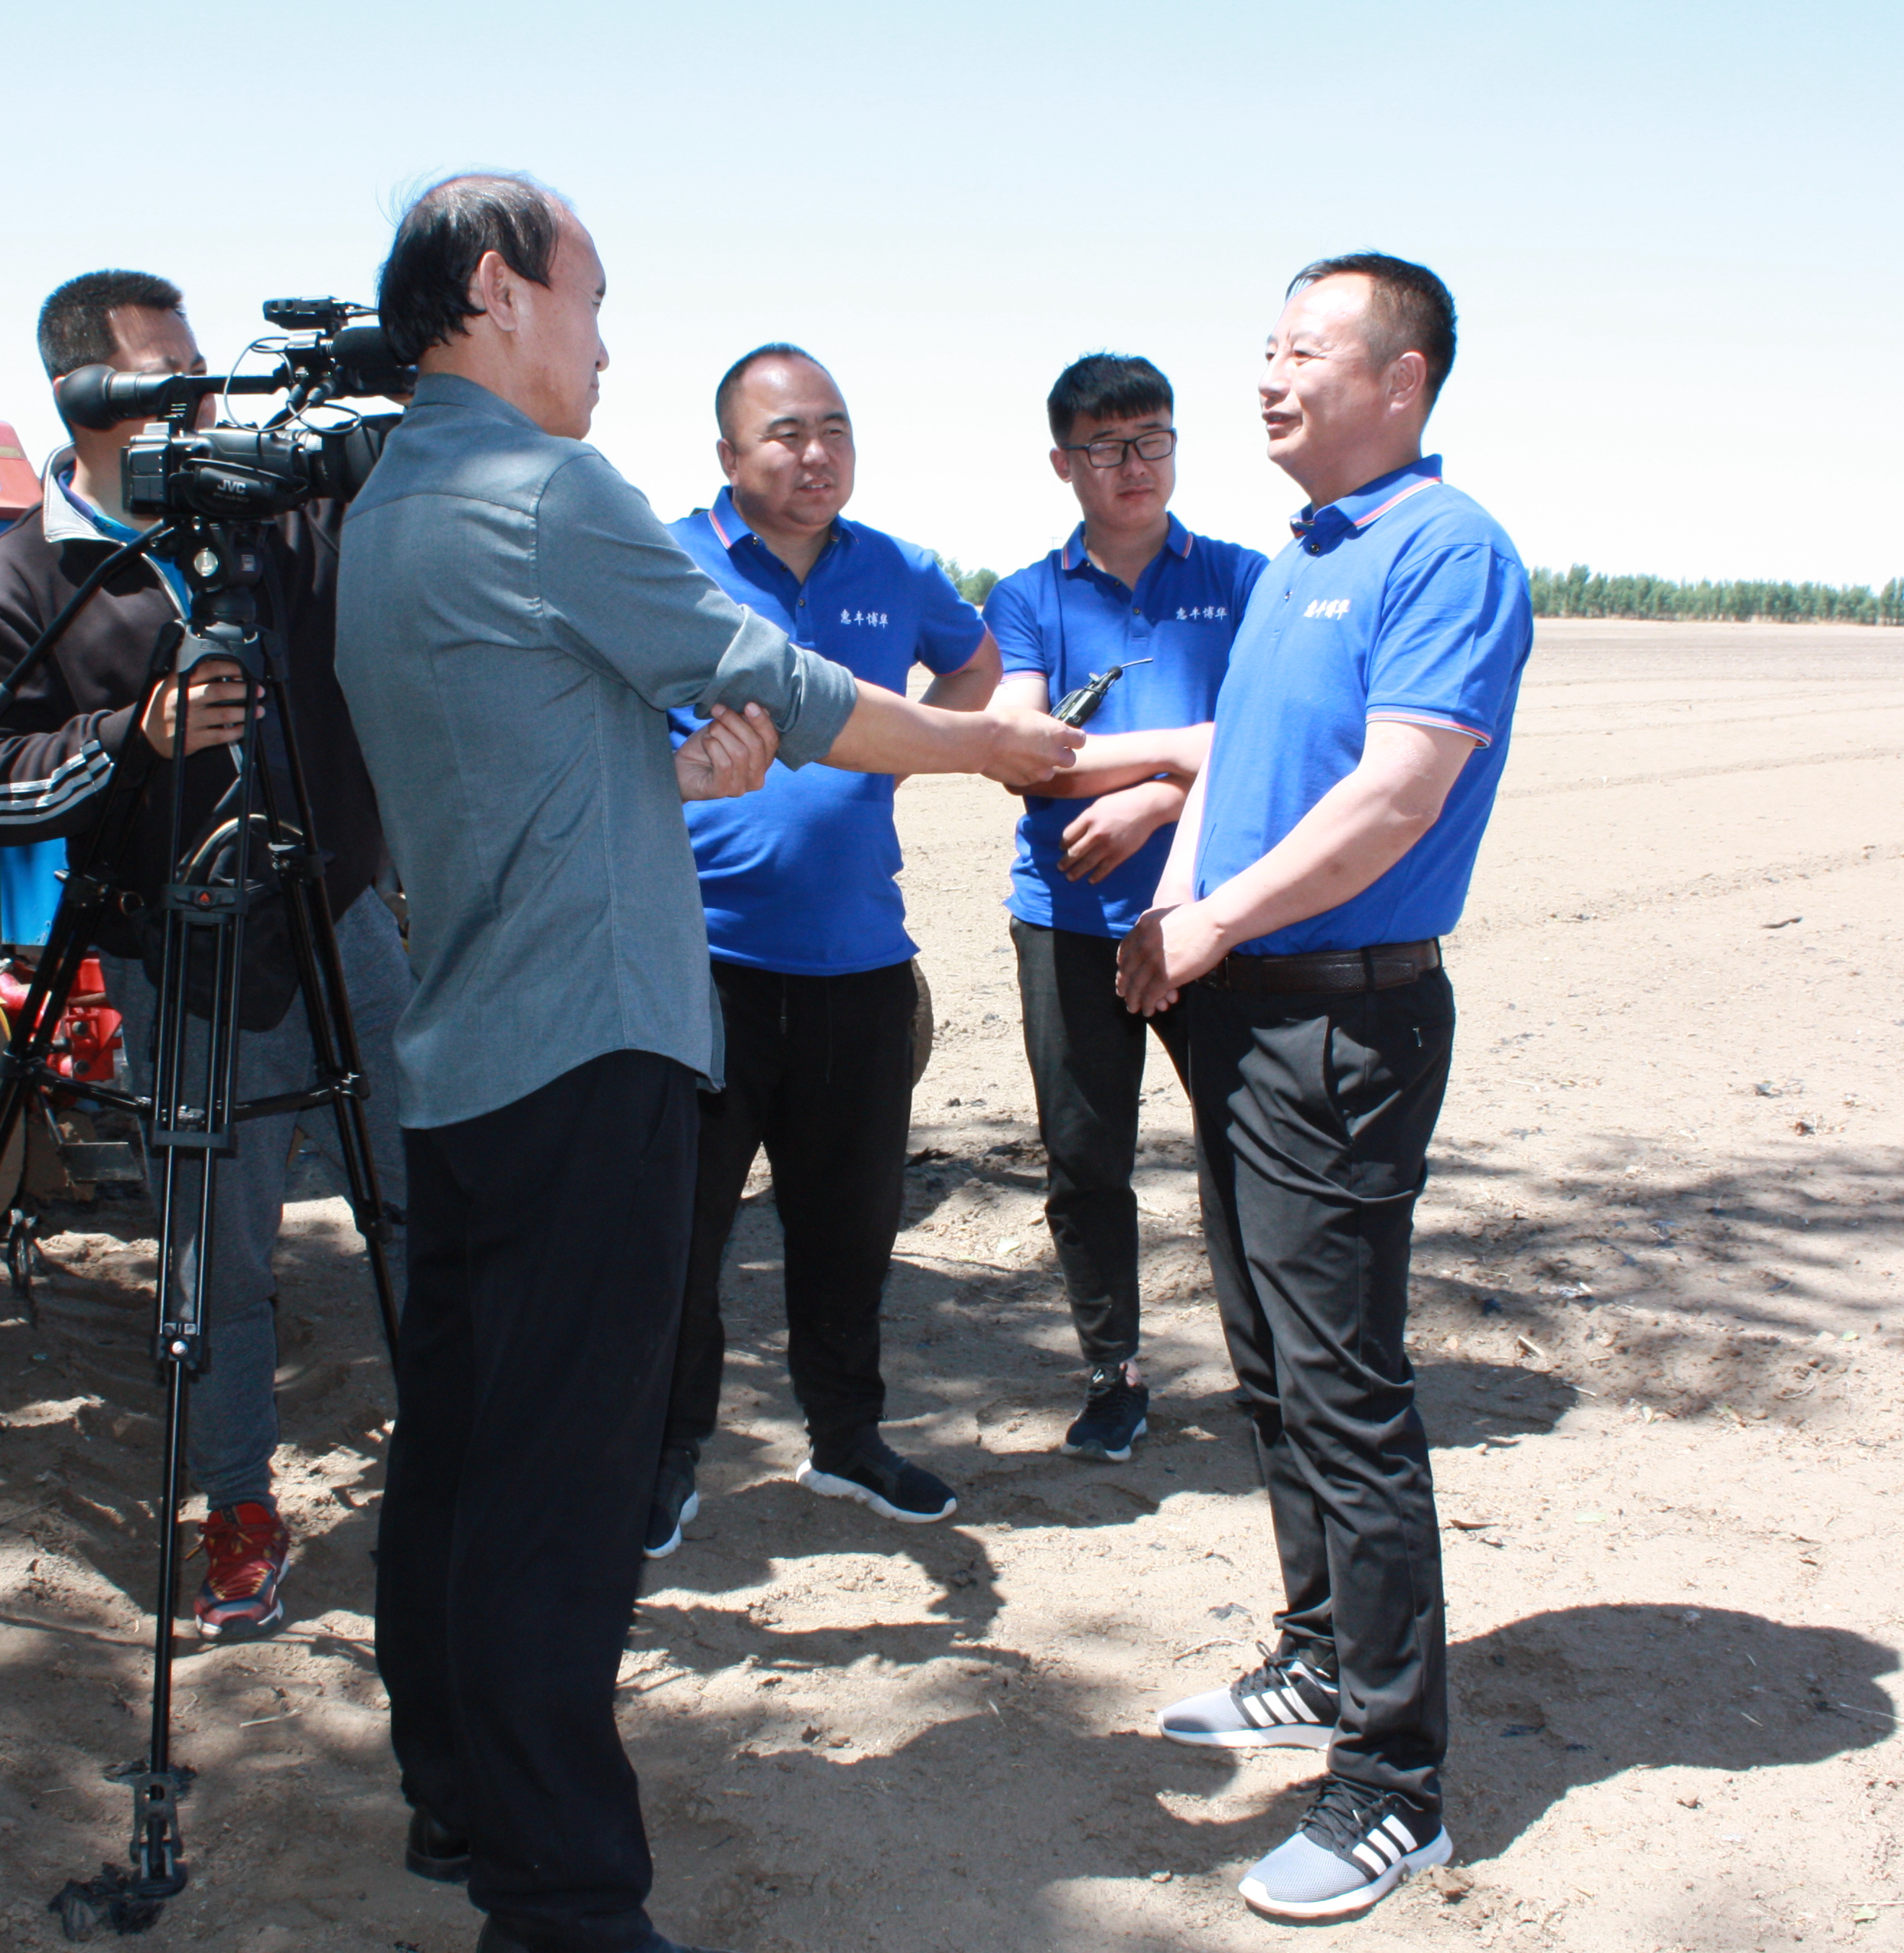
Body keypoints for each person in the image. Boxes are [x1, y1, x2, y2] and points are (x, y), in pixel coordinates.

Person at [333, 174, 1077, 1953]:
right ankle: (565, 1898)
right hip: (587, 1046)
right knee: (560, 1498)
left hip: (469, 1050)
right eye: (593, 300)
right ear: (502, 291)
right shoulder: (544, 485)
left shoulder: (392, 500)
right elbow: (789, 681)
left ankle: (453, 1792)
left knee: (455, 1452)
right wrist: (992, 743)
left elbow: (502, 774)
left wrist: (663, 783)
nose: (604, 343)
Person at [1120, 255, 1532, 1923]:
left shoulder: (1448, 548)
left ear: (1405, 377)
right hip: (1247, 1009)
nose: (1270, 377)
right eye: (1266, 350)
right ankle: (1315, 1654)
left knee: (1349, 1391)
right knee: (1275, 1368)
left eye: (1305, 351)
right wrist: (1178, 875)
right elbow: (1244, 753)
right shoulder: (1309, 553)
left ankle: (1393, 1783)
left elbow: (1396, 793)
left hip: (1340, 1027)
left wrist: (1211, 914)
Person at [0, 269, 412, 1644]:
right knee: (219, 1251)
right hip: (179, 951)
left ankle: (463, 1450)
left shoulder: (279, 525)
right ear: (85, 394)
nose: (199, 399)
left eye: (202, 368)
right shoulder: (23, 573)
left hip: (339, 924)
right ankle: (237, 1507)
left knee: (422, 1193)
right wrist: (130, 738)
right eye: (166, 376)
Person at [646, 344, 1004, 1559]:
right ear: (728, 457)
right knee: (678, 1236)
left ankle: (847, 1439)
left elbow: (972, 664)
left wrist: (930, 737)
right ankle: (665, 1458)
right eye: (788, 433)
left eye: (836, 431)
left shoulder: (896, 569)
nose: (817, 455)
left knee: (848, 1231)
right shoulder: (665, 564)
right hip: (699, 967)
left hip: (859, 966)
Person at [982, 354, 1269, 1461]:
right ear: (1064, 463)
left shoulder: (1243, 583)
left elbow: (1277, 740)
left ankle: (1271, 1370)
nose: (1133, 465)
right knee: (1084, 1160)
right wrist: (1193, 748)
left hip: (1214, 920)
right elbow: (1025, 758)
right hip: (1065, 921)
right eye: (1105, 446)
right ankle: (1115, 1373)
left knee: (1246, 1151)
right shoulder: (1028, 597)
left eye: (1152, 439)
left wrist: (1154, 797)